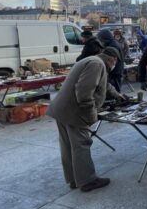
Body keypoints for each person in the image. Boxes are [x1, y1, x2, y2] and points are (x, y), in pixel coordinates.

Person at [47, 47, 127, 193]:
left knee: (68, 146)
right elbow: (84, 91)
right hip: (75, 111)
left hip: (62, 108)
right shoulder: (97, 65)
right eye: (115, 62)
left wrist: (117, 95)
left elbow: (104, 84)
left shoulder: (92, 60)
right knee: (81, 145)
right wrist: (91, 114)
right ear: (113, 59)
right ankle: (87, 181)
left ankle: (74, 179)